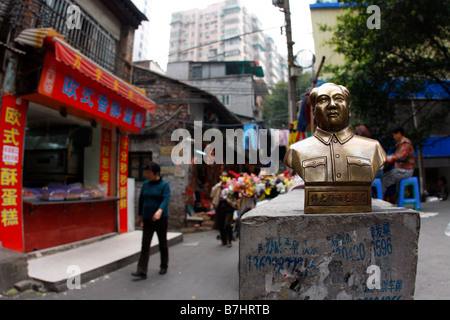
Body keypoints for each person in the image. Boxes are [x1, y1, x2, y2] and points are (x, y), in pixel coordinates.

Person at [284, 83, 386, 184]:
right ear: (314, 112)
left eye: (338, 99)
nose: (332, 105)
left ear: (349, 110)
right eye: (323, 100)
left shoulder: (373, 148)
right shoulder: (296, 151)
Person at [132, 162, 171, 279]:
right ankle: (142, 270)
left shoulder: (164, 185)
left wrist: (160, 211)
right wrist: (139, 215)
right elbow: (141, 200)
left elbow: (166, 199)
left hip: (161, 219)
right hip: (147, 218)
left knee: (162, 243)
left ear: (157, 173)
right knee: (145, 244)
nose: (147, 175)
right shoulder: (145, 184)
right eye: (146, 173)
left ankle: (164, 265)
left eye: (149, 173)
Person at [381, 124, 415, 200]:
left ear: (399, 133)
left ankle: (380, 199)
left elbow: (402, 156)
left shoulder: (405, 143)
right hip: (401, 170)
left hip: (405, 170)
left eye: (394, 135)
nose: (394, 137)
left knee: (385, 179)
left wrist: (390, 158)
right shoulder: (401, 144)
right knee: (385, 176)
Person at [211, 170, 238, 247]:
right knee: (221, 224)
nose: (224, 178)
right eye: (223, 176)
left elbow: (236, 196)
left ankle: (229, 240)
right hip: (220, 207)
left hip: (229, 206)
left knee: (227, 223)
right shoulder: (217, 186)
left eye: (226, 176)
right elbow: (212, 195)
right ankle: (224, 241)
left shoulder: (231, 186)